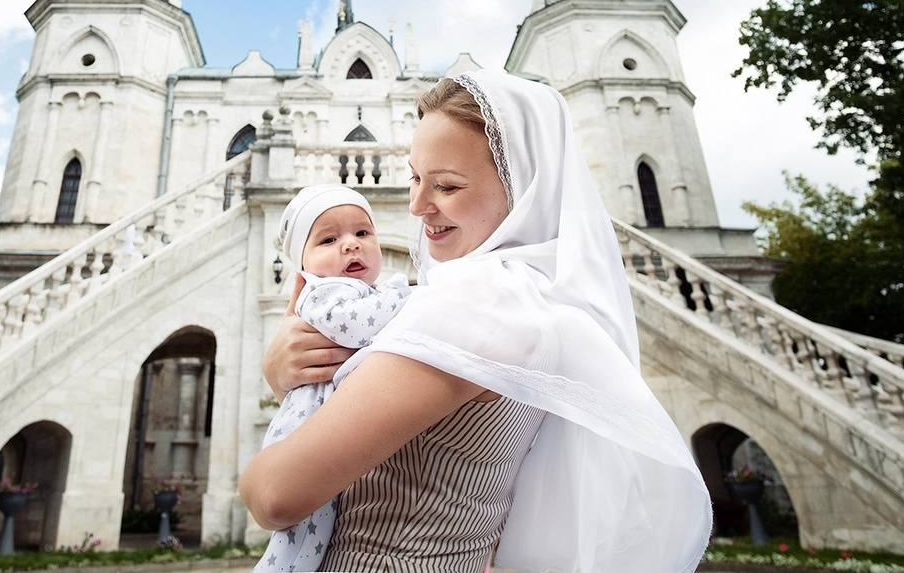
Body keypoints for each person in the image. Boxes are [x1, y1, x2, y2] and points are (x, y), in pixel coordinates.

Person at [240, 70, 712, 573]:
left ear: (523, 184)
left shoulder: (479, 303)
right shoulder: (536, 296)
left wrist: (277, 386)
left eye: (446, 185)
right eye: (416, 178)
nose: (418, 206)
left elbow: (275, 496)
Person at [254, 184, 412, 572]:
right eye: (329, 238)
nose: (351, 245)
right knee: (305, 533)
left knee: (316, 532)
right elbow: (358, 327)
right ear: (302, 265)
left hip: (324, 421)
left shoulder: (359, 290)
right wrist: (408, 296)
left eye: (362, 233)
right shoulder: (323, 293)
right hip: (303, 428)